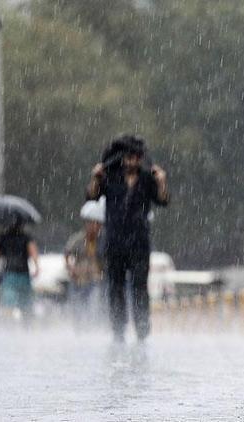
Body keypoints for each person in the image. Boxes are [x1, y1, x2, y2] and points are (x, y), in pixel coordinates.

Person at [87, 134, 168, 343]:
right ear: (122, 158)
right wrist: (96, 177)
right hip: (114, 241)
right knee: (115, 287)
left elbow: (163, 200)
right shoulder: (109, 177)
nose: (133, 161)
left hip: (139, 241)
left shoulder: (148, 179)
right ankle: (118, 330)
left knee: (140, 286)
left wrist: (161, 182)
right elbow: (91, 196)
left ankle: (142, 329)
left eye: (136, 157)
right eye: (129, 157)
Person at [64, 201, 105, 331]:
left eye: (97, 224)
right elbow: (66, 254)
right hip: (78, 280)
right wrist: (70, 268)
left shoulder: (103, 241)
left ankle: (92, 330)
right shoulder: (78, 239)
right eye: (91, 223)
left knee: (94, 307)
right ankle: (80, 331)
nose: (94, 227)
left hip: (95, 280)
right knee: (77, 310)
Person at [0, 221, 40, 325]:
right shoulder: (26, 237)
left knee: (8, 305)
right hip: (23, 274)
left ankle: (8, 328)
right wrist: (37, 267)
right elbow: (33, 251)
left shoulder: (3, 237)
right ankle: (27, 328)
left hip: (9, 275)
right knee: (26, 305)